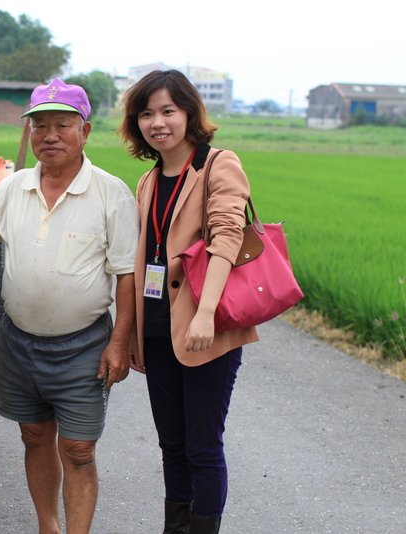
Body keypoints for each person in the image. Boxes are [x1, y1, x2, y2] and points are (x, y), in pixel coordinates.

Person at [0, 79, 138, 534]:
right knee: (33, 437)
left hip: (83, 346)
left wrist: (120, 343)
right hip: (18, 341)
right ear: (30, 132)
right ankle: (47, 526)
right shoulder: (13, 188)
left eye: (62, 125)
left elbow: (126, 276)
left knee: (78, 450)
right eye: (40, 126)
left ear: (85, 132)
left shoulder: (112, 194)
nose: (49, 135)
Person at [118, 70, 260, 534]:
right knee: (171, 444)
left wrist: (203, 314)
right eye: (146, 114)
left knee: (202, 443)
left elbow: (226, 239)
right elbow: (145, 261)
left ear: (189, 114)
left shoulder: (219, 164)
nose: (157, 122)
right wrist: (136, 332)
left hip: (208, 326)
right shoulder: (147, 180)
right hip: (159, 329)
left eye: (167, 111)